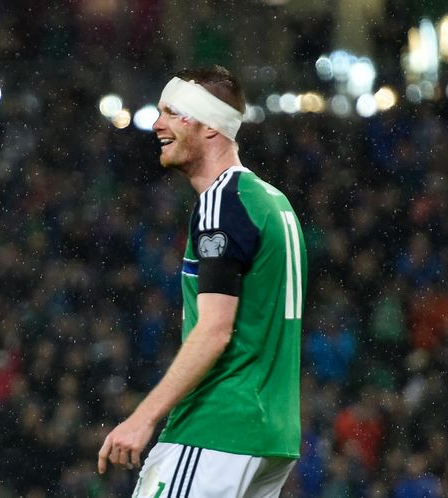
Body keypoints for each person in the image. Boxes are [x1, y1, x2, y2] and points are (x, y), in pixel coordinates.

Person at [97, 65, 308, 497]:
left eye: (173, 113)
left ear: (211, 127)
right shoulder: (274, 202)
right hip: (271, 433)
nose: (157, 124)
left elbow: (214, 330)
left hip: (218, 426)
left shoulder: (221, 204)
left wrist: (143, 418)